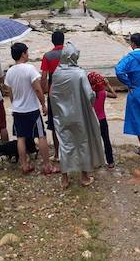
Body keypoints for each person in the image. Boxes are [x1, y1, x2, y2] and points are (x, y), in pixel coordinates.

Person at [50, 43, 106, 188]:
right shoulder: (80, 73)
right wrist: (93, 97)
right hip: (79, 115)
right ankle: (84, 176)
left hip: (62, 115)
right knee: (82, 143)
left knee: (65, 144)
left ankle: (65, 179)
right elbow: (89, 96)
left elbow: (52, 95)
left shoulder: (56, 73)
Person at [4, 43, 59, 175]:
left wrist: (15, 104)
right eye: (27, 52)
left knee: (21, 138)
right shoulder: (30, 69)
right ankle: (47, 166)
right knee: (41, 136)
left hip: (17, 110)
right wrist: (43, 104)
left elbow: (10, 93)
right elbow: (38, 89)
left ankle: (24, 165)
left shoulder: (10, 71)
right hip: (32, 109)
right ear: (23, 54)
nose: (28, 54)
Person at [40, 31, 64, 162]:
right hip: (68, 92)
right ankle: (70, 151)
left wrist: (44, 91)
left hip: (53, 94)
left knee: (55, 125)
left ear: (52, 41)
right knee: (69, 122)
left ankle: (57, 154)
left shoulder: (48, 56)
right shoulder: (68, 54)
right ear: (63, 40)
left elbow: (44, 77)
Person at [88, 71, 117, 168]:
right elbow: (115, 95)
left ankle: (95, 161)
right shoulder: (103, 93)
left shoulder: (88, 94)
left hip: (92, 120)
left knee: (92, 141)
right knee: (106, 140)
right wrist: (108, 84)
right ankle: (110, 162)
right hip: (102, 120)